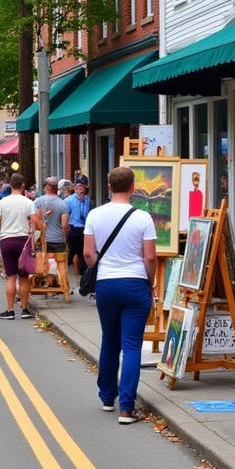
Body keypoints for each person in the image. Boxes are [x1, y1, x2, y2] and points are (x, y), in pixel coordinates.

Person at [83, 166, 157, 424]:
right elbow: (150, 256)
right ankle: (127, 407)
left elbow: (88, 254)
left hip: (106, 283)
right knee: (132, 345)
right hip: (135, 283)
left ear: (108, 185)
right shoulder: (143, 218)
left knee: (109, 340)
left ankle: (106, 396)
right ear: (133, 187)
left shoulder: (95, 215)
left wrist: (99, 269)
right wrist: (152, 282)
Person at [0, 173, 37, 320]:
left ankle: (10, 310)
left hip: (6, 241)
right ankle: (24, 309)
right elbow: (34, 222)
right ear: (23, 186)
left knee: (11, 277)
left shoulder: (2, 202)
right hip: (23, 241)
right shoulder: (28, 202)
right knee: (24, 278)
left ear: (10, 185)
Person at [33, 176, 70, 254]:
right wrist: (65, 239)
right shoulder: (63, 204)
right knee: (59, 265)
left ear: (47, 187)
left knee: (43, 265)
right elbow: (65, 226)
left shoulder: (38, 202)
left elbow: (34, 222)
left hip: (43, 241)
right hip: (59, 241)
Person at [64, 179, 91, 278]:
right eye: (79, 186)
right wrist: (65, 232)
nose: (81, 189)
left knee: (84, 251)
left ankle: (84, 273)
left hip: (85, 228)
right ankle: (77, 274)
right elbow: (65, 216)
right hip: (73, 228)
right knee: (75, 252)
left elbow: (88, 214)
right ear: (75, 188)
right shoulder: (68, 200)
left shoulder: (87, 200)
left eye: (83, 187)